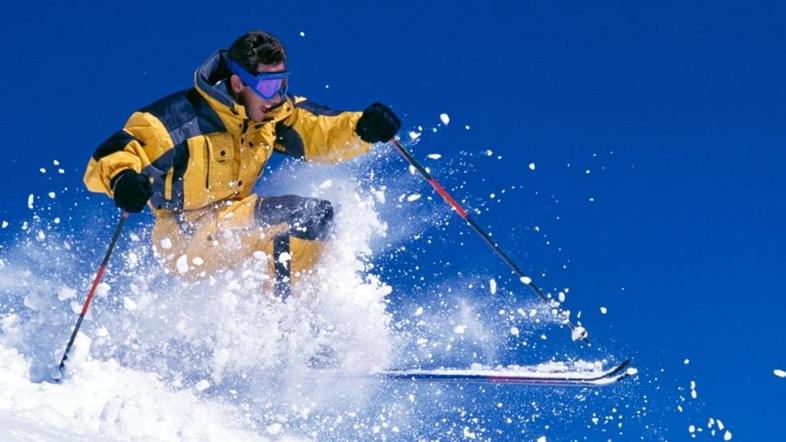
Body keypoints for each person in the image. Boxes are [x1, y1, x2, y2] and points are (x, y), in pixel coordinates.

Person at [83, 30, 400, 296]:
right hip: (184, 236)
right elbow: (116, 153)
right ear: (238, 83)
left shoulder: (269, 117)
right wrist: (123, 179)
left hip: (234, 219)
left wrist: (362, 128)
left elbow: (321, 131)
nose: (276, 96)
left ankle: (286, 328)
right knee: (302, 216)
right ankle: (284, 329)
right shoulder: (180, 120)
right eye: (267, 86)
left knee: (316, 218)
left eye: (282, 84)